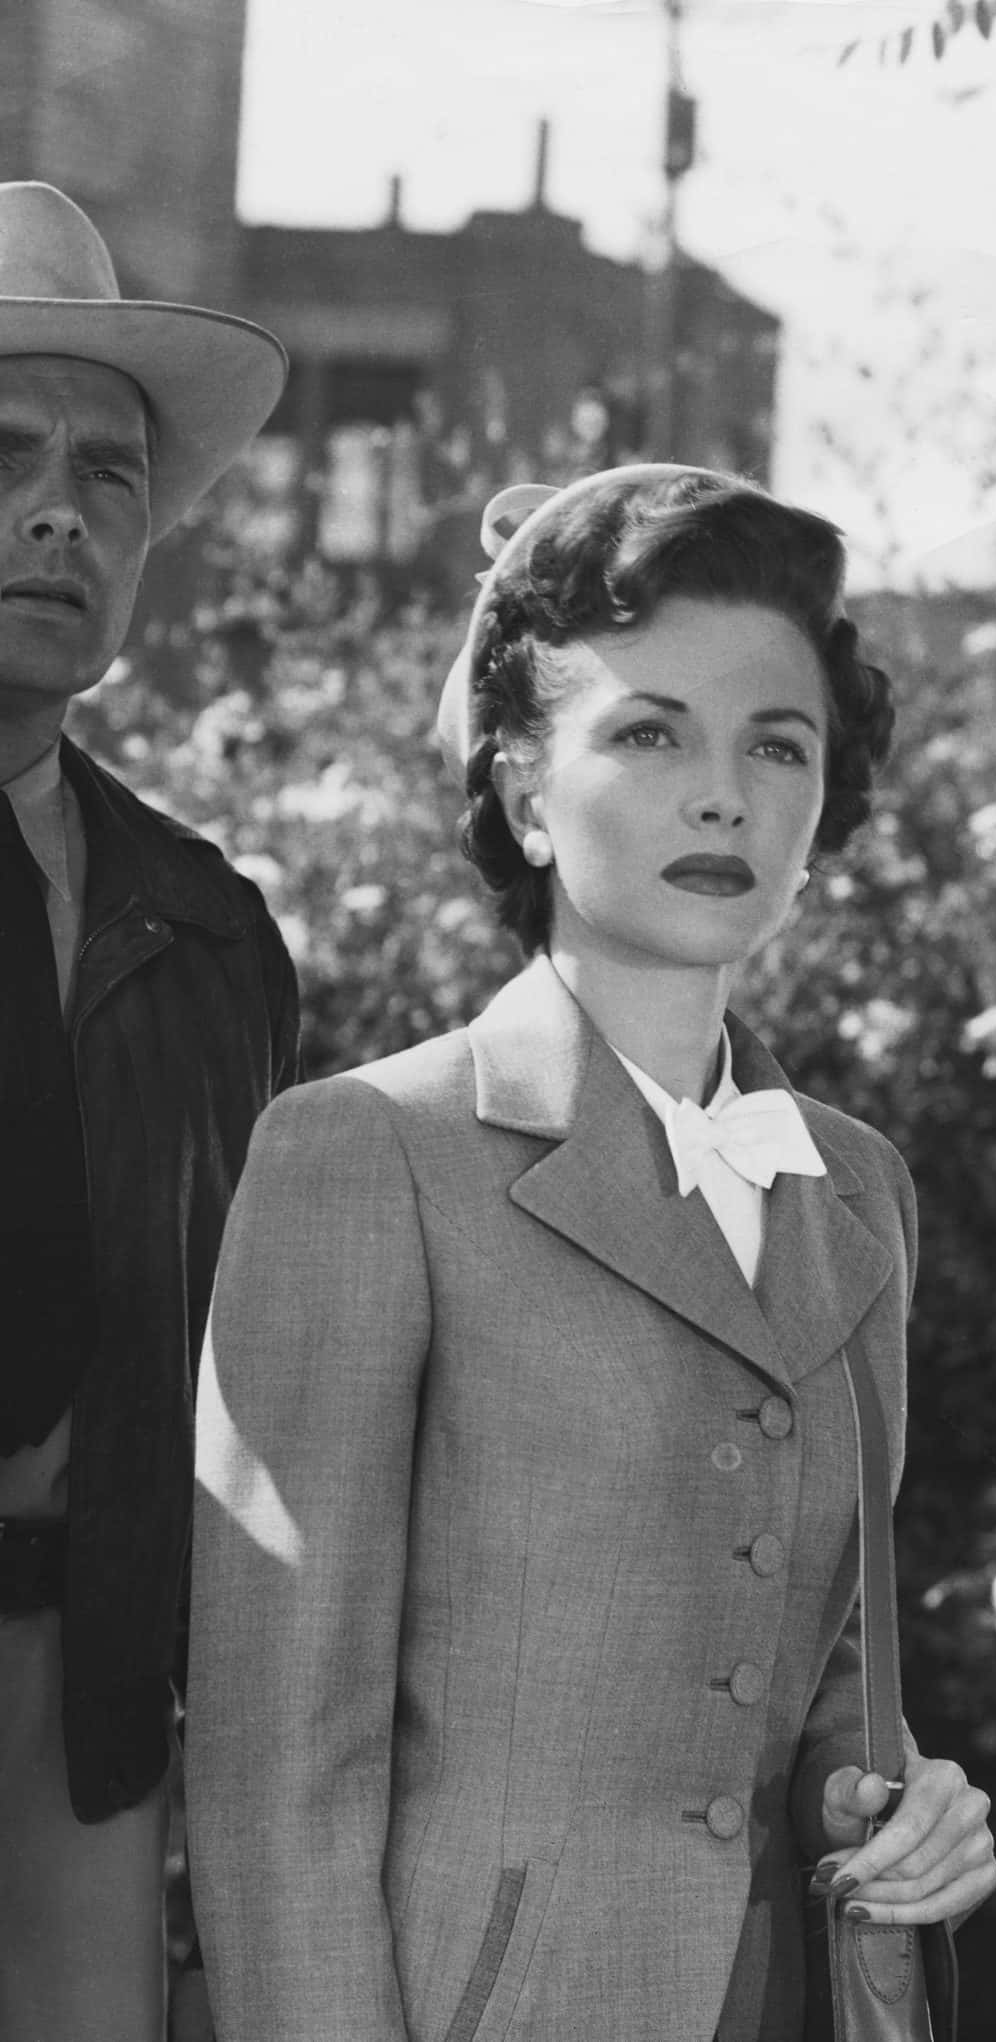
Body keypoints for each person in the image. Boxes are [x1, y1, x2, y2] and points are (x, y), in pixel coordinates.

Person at [188, 464, 996, 2042]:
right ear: (521, 790)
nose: (724, 793)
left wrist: (904, 1806)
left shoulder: (857, 1188)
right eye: (649, 733)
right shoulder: (368, 1152)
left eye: (778, 743)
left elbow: (817, 1668)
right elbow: (279, 1773)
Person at [0, 181, 298, 2041]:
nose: (59, 512)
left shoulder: (207, 931)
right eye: (4, 455)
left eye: (107, 475)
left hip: (87, 1719)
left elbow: (257, 1385)